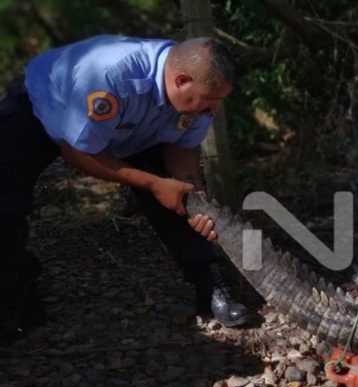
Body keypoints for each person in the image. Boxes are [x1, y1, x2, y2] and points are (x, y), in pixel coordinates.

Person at [0, 35, 250, 343]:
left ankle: (213, 285)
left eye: (220, 100)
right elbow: (77, 151)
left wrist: (193, 194)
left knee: (180, 198)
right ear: (182, 81)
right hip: (42, 109)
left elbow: (181, 148)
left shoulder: (200, 97)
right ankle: (14, 291)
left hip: (133, 132)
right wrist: (154, 184)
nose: (215, 108)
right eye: (210, 99)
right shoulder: (111, 78)